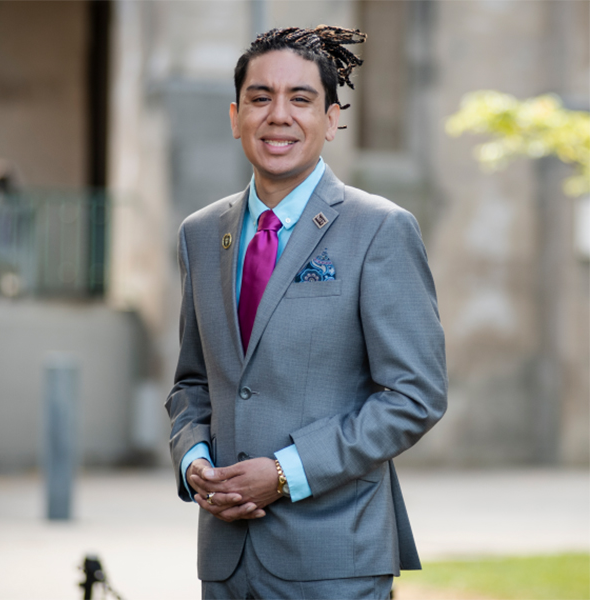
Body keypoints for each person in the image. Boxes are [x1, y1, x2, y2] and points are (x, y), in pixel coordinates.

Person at [166, 25, 448, 600]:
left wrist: (284, 473)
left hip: (335, 558)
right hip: (224, 562)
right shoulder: (200, 234)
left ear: (332, 118)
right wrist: (194, 461)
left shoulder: (380, 230)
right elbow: (194, 381)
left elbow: (414, 395)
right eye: (260, 97)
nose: (279, 115)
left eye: (301, 99)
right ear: (234, 114)